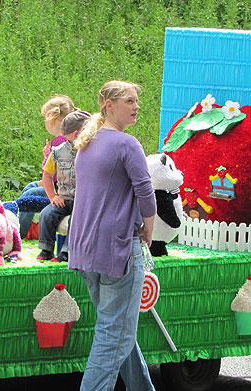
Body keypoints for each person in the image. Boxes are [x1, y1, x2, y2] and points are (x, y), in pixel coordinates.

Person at [68, 80, 156, 391]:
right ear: (109, 104)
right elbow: (145, 191)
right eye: (130, 101)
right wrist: (149, 227)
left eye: (136, 101)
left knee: (118, 332)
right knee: (113, 337)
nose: (136, 106)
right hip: (117, 249)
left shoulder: (86, 143)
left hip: (85, 250)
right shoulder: (125, 144)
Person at [19, 95, 77, 239]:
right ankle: (25, 228)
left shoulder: (61, 140)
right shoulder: (62, 139)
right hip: (58, 183)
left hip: (61, 188)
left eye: (46, 119)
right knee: (29, 187)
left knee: (29, 194)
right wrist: (47, 155)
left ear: (55, 119)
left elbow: (57, 173)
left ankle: (18, 234)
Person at [36, 110, 91, 263]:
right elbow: (46, 175)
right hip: (65, 198)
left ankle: (67, 252)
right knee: (47, 213)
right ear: (77, 134)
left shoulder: (92, 151)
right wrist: (53, 196)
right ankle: (46, 249)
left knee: (76, 220)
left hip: (84, 202)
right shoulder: (58, 152)